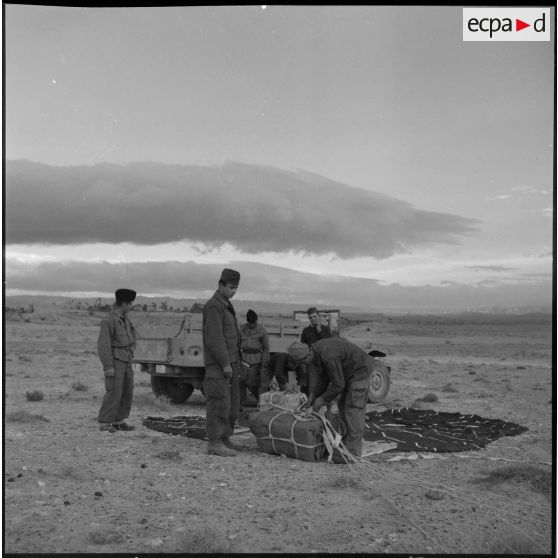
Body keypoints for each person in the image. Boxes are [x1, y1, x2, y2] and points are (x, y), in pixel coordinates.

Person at [287, 338, 372, 462]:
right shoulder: (315, 353)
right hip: (348, 373)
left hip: (360, 371)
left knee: (353, 410)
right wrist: (314, 396)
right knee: (343, 407)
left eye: (303, 362)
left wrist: (322, 399)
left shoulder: (328, 356)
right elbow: (324, 378)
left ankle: (353, 454)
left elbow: (338, 384)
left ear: (307, 355)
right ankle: (345, 447)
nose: (305, 365)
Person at [202, 268, 244, 457]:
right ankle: (215, 442)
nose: (234, 291)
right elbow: (215, 338)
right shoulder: (214, 306)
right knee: (218, 403)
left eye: (236, 288)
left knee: (231, 404)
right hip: (219, 365)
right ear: (220, 285)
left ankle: (225, 437)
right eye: (231, 287)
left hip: (231, 363)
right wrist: (225, 363)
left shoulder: (226, 304)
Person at [97, 288, 138, 433]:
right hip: (115, 360)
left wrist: (132, 348)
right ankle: (105, 422)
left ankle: (118, 420)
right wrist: (108, 366)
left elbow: (132, 336)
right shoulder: (109, 321)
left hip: (126, 360)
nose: (132, 306)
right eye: (131, 303)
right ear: (124, 304)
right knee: (114, 391)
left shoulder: (126, 319)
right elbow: (104, 345)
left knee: (127, 391)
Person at [239, 309, 270, 406]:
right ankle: (240, 403)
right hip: (243, 359)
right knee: (240, 381)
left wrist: (264, 364)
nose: (252, 325)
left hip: (256, 360)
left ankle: (262, 402)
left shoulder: (262, 331)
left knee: (252, 383)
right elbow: (236, 344)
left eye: (253, 323)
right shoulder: (241, 329)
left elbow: (266, 349)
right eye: (250, 323)